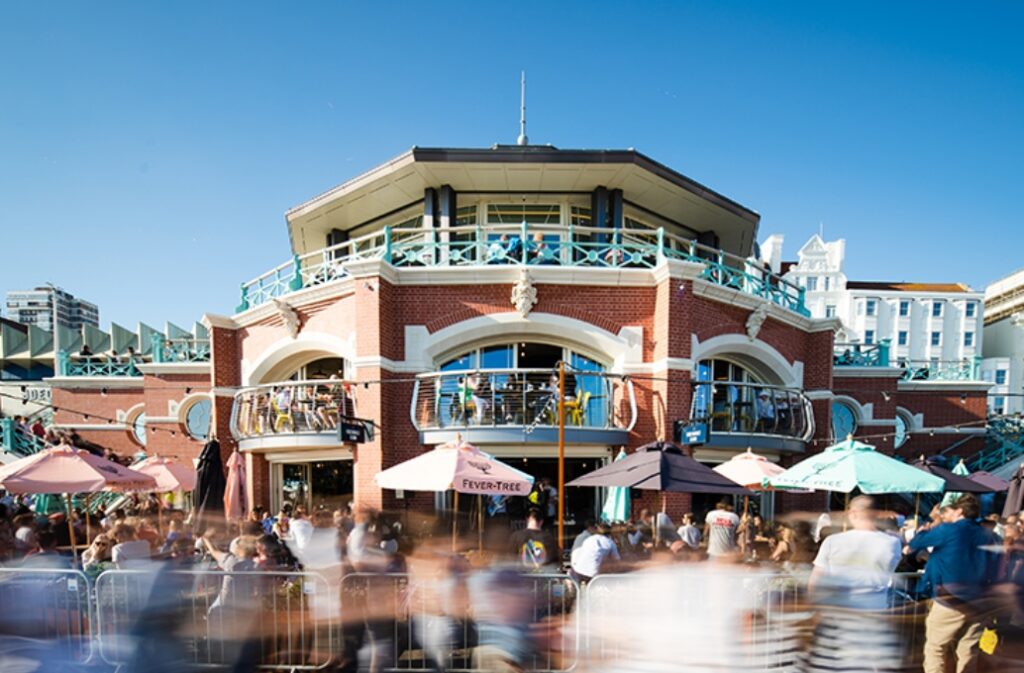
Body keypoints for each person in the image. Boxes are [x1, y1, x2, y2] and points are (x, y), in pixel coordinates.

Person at [907, 494, 1001, 673]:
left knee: (936, 648)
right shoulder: (988, 535)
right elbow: (995, 567)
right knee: (969, 650)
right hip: (979, 600)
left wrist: (932, 523)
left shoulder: (949, 530)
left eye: (948, 510)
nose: (945, 514)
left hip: (950, 597)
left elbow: (916, 542)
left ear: (959, 511)